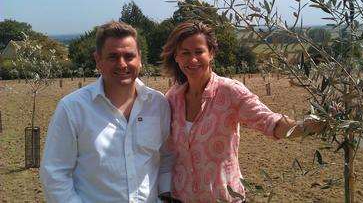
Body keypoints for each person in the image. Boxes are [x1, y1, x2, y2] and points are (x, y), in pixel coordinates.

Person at [161, 22, 325, 203]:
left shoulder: (230, 92)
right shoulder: (172, 98)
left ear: (211, 54)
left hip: (223, 198)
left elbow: (270, 122)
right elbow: (168, 150)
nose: (192, 59)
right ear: (176, 57)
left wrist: (310, 126)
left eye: (199, 52)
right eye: (185, 53)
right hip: (180, 196)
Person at [40, 21, 172, 202]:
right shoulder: (72, 108)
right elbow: (55, 174)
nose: (122, 64)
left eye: (129, 56)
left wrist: (164, 197)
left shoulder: (158, 104)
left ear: (140, 58)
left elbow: (167, 158)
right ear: (98, 60)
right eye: (113, 57)